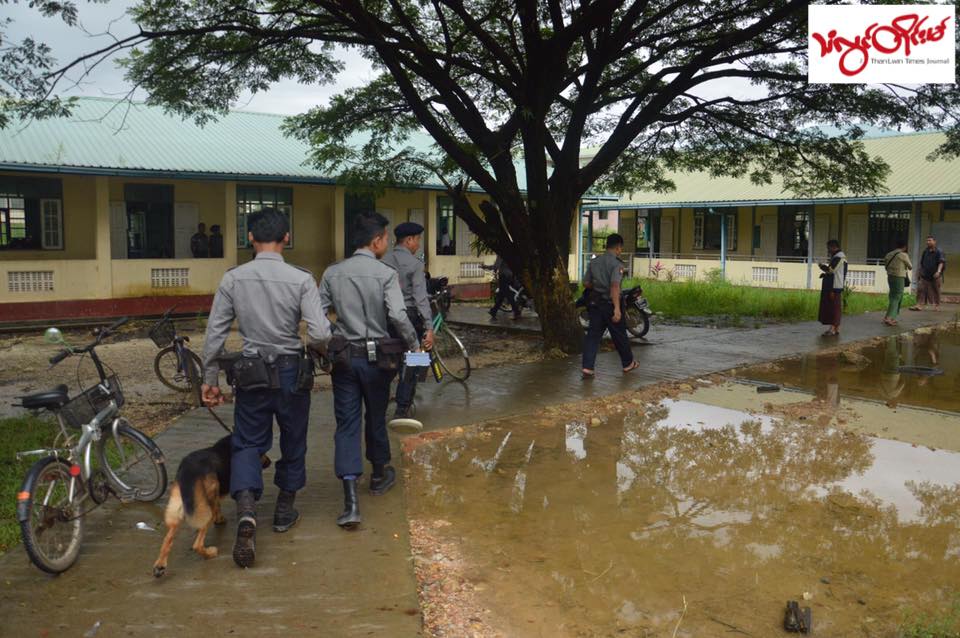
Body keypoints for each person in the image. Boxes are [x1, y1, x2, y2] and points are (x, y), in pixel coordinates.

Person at [200, 208, 331, 568]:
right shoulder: (301, 279)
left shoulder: (233, 279)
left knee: (246, 442)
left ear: (250, 239)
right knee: (294, 438)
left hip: (251, 374)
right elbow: (320, 332)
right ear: (287, 237)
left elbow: (214, 335)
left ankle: (246, 511)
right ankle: (284, 510)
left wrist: (210, 380)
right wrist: (320, 351)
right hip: (291, 373)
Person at [320, 212, 420, 528]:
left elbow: (317, 316)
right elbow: (399, 316)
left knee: (347, 423)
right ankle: (378, 474)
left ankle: (350, 500)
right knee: (375, 415)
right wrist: (415, 346)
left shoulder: (332, 272)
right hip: (378, 361)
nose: (387, 242)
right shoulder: (385, 273)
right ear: (376, 241)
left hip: (344, 361)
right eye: (386, 238)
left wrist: (334, 336)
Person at [381, 221, 435, 424]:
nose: (418, 244)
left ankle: (378, 405)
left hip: (386, 318)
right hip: (411, 318)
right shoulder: (415, 264)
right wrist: (429, 327)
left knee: (387, 362)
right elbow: (421, 299)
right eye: (418, 240)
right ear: (409, 240)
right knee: (416, 361)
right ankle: (403, 408)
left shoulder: (382, 261)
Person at [581, 233, 638, 379]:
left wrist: (598, 286)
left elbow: (586, 283)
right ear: (618, 247)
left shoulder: (594, 262)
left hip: (595, 304)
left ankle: (587, 367)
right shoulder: (617, 264)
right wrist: (617, 309)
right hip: (610, 304)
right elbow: (614, 286)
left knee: (593, 336)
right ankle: (628, 363)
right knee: (620, 335)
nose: (620, 251)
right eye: (621, 248)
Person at [817, 239, 847, 337]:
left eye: (829, 248)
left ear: (833, 247)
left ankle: (833, 329)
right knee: (834, 307)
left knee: (834, 308)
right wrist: (825, 274)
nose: (828, 250)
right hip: (835, 285)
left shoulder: (839, 257)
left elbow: (831, 270)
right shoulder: (838, 257)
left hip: (835, 286)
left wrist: (821, 266)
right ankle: (835, 328)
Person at [911, 235, 946, 312]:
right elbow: (922, 263)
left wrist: (938, 271)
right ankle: (919, 305)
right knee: (920, 289)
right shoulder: (925, 251)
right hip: (925, 275)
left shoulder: (939, 251)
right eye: (927, 240)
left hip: (935, 275)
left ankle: (937, 305)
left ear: (934, 241)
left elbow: (941, 262)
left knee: (936, 290)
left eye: (930, 240)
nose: (928, 242)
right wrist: (919, 272)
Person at [883, 238, 912, 326]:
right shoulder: (903, 255)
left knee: (892, 296)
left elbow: (885, 265)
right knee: (897, 297)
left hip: (890, 276)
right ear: (905, 247)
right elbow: (910, 266)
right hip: (899, 277)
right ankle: (889, 318)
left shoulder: (889, 254)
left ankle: (888, 317)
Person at [484, 255, 521, 320]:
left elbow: (496, 266)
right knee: (501, 294)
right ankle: (493, 311)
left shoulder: (500, 255)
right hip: (510, 275)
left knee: (508, 294)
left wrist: (486, 267)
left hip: (504, 276)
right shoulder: (509, 254)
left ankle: (516, 311)